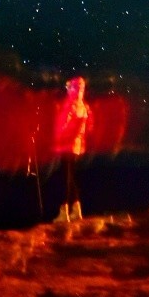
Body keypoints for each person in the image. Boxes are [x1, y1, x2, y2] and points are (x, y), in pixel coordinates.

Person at [53, 75, 90, 222]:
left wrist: (58, 137)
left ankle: (64, 212)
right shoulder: (83, 106)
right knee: (72, 177)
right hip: (76, 145)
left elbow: (64, 125)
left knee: (65, 178)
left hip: (66, 145)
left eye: (70, 88)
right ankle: (77, 210)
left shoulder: (71, 105)